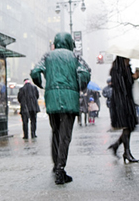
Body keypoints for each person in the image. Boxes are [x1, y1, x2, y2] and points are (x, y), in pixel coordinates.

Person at [30, 32, 91, 185]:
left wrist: (44, 85)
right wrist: (78, 86)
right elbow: (85, 72)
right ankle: (60, 170)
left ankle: (56, 164)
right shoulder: (74, 57)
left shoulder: (48, 56)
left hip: (53, 99)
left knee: (56, 133)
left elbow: (35, 72)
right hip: (69, 100)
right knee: (65, 136)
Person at [108, 56, 139, 163]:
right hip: (120, 102)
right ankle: (126, 152)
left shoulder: (125, 68)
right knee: (127, 126)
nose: (129, 60)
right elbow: (122, 85)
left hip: (126, 100)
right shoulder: (117, 69)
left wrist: (134, 76)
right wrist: (132, 77)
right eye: (127, 59)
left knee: (130, 126)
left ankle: (118, 147)